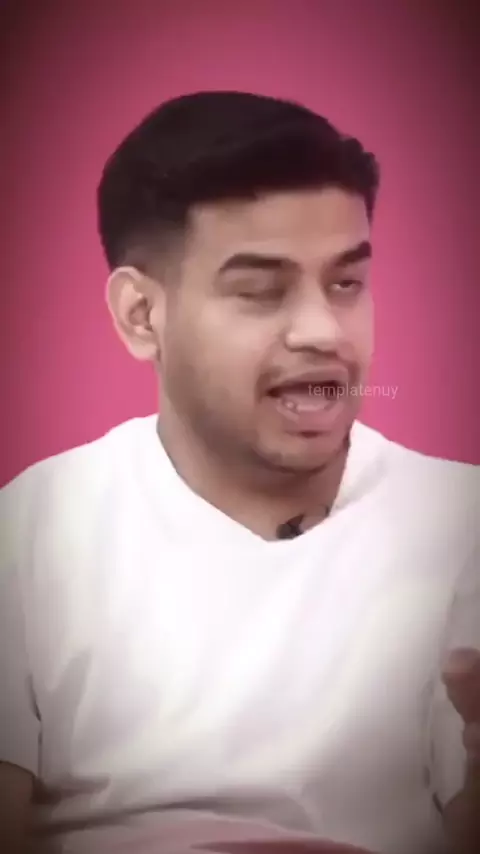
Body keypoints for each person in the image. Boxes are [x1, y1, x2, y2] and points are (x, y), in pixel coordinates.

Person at [0, 91, 478, 854]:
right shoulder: (28, 532)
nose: (323, 331)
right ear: (141, 315)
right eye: (259, 291)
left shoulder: (462, 525)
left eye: (346, 284)